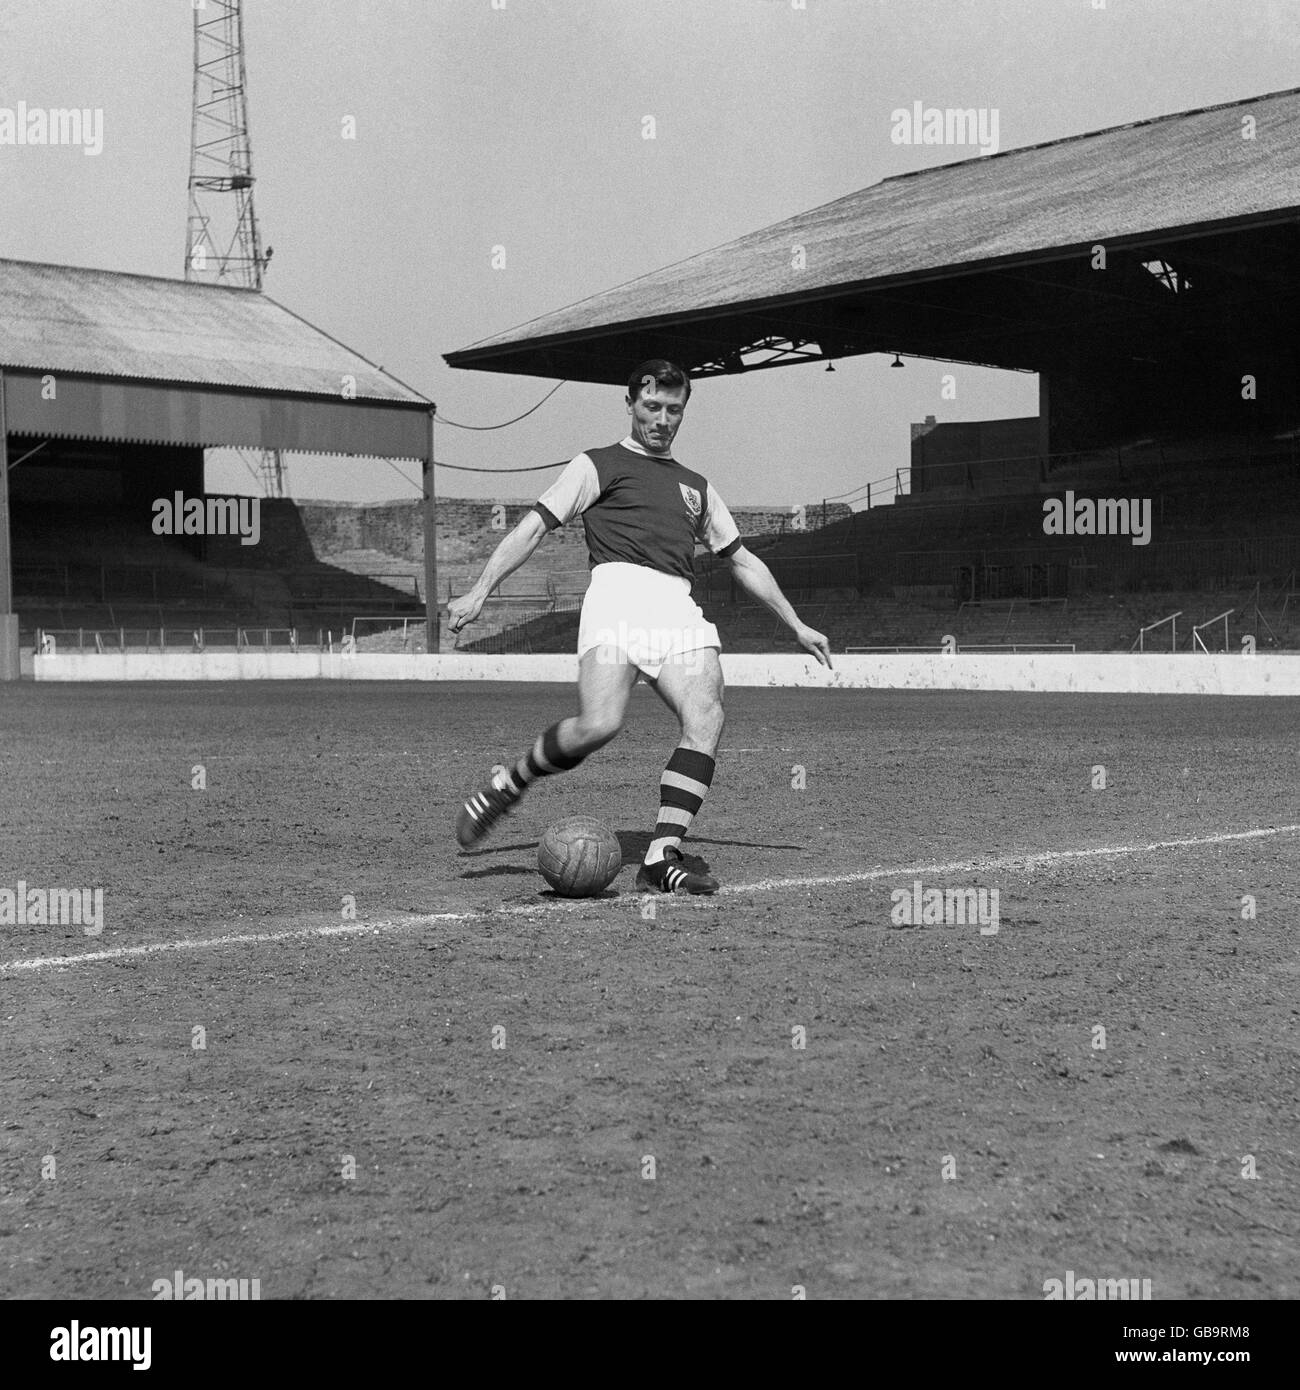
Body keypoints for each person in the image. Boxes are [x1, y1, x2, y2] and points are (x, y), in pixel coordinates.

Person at [449, 359, 832, 894]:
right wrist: (480, 590)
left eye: (674, 410)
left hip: (677, 607)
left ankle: (659, 856)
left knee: (707, 715)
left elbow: (742, 559)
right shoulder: (595, 465)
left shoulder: (696, 487)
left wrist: (795, 623)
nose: (662, 419)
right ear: (630, 404)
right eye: (652, 407)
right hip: (617, 599)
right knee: (599, 725)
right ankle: (510, 782)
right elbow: (533, 529)